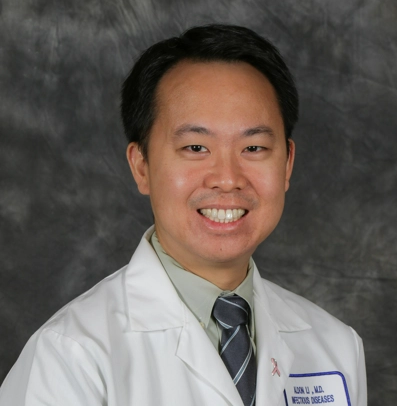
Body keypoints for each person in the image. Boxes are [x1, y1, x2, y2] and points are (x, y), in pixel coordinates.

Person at [0, 24, 367, 406]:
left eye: (254, 148)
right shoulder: (70, 356)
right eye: (195, 147)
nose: (228, 178)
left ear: (287, 163)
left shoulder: (335, 348)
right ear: (141, 166)